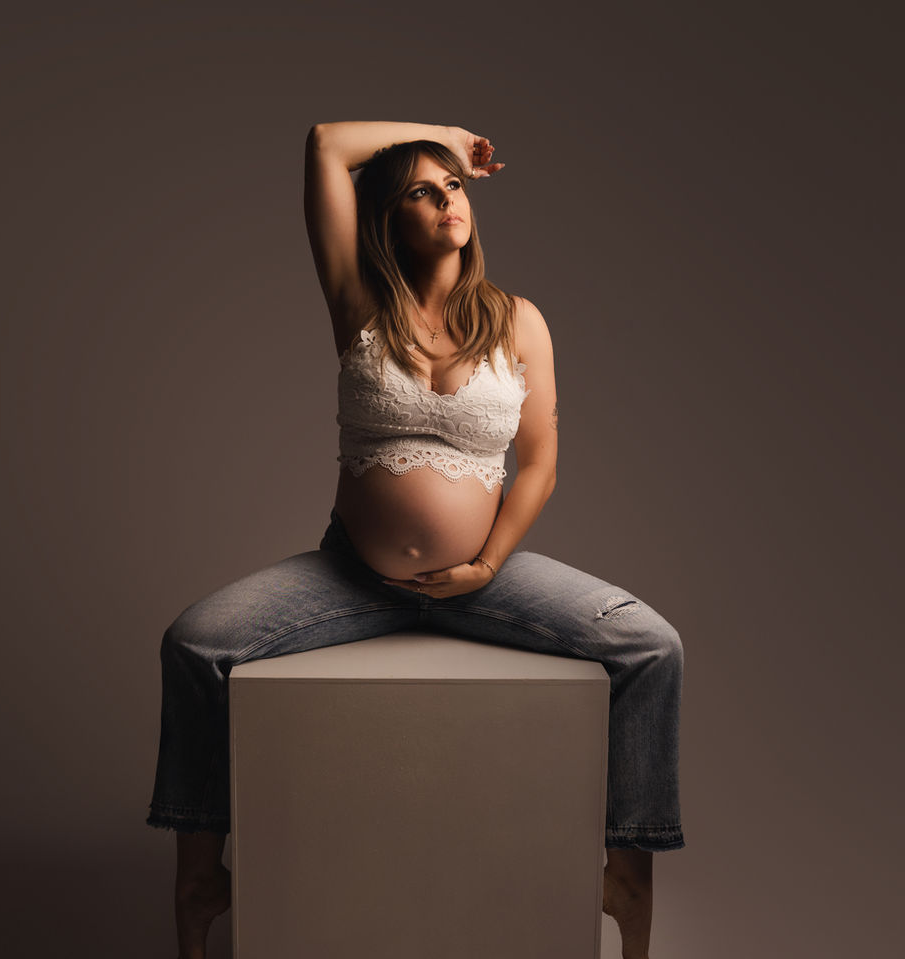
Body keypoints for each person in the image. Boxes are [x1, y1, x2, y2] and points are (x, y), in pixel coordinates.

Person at [147, 120, 684, 959]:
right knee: (195, 642)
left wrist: (487, 564)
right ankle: (200, 875)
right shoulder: (356, 302)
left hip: (487, 579)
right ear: (387, 220)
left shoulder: (518, 322)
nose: (446, 202)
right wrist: (444, 137)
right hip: (350, 577)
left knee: (651, 646)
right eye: (422, 193)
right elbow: (327, 144)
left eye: (456, 187)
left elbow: (538, 464)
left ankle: (625, 869)